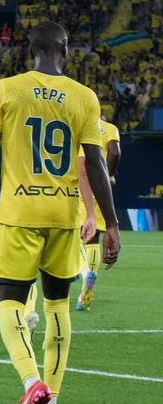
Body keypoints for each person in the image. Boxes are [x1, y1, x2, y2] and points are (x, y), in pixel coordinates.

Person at [0, 21, 119, 404]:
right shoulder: (84, 97)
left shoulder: (8, 89)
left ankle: (32, 383)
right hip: (64, 215)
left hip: (20, 212)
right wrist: (112, 222)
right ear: (65, 49)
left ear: (30, 49)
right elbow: (96, 163)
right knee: (57, 306)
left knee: (11, 302)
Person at [74, 115, 121, 311]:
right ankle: (87, 288)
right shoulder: (110, 128)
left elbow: (82, 163)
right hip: (102, 190)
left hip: (82, 187)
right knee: (94, 238)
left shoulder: (83, 127)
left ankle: (85, 272)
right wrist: (108, 176)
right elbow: (115, 152)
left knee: (75, 237)